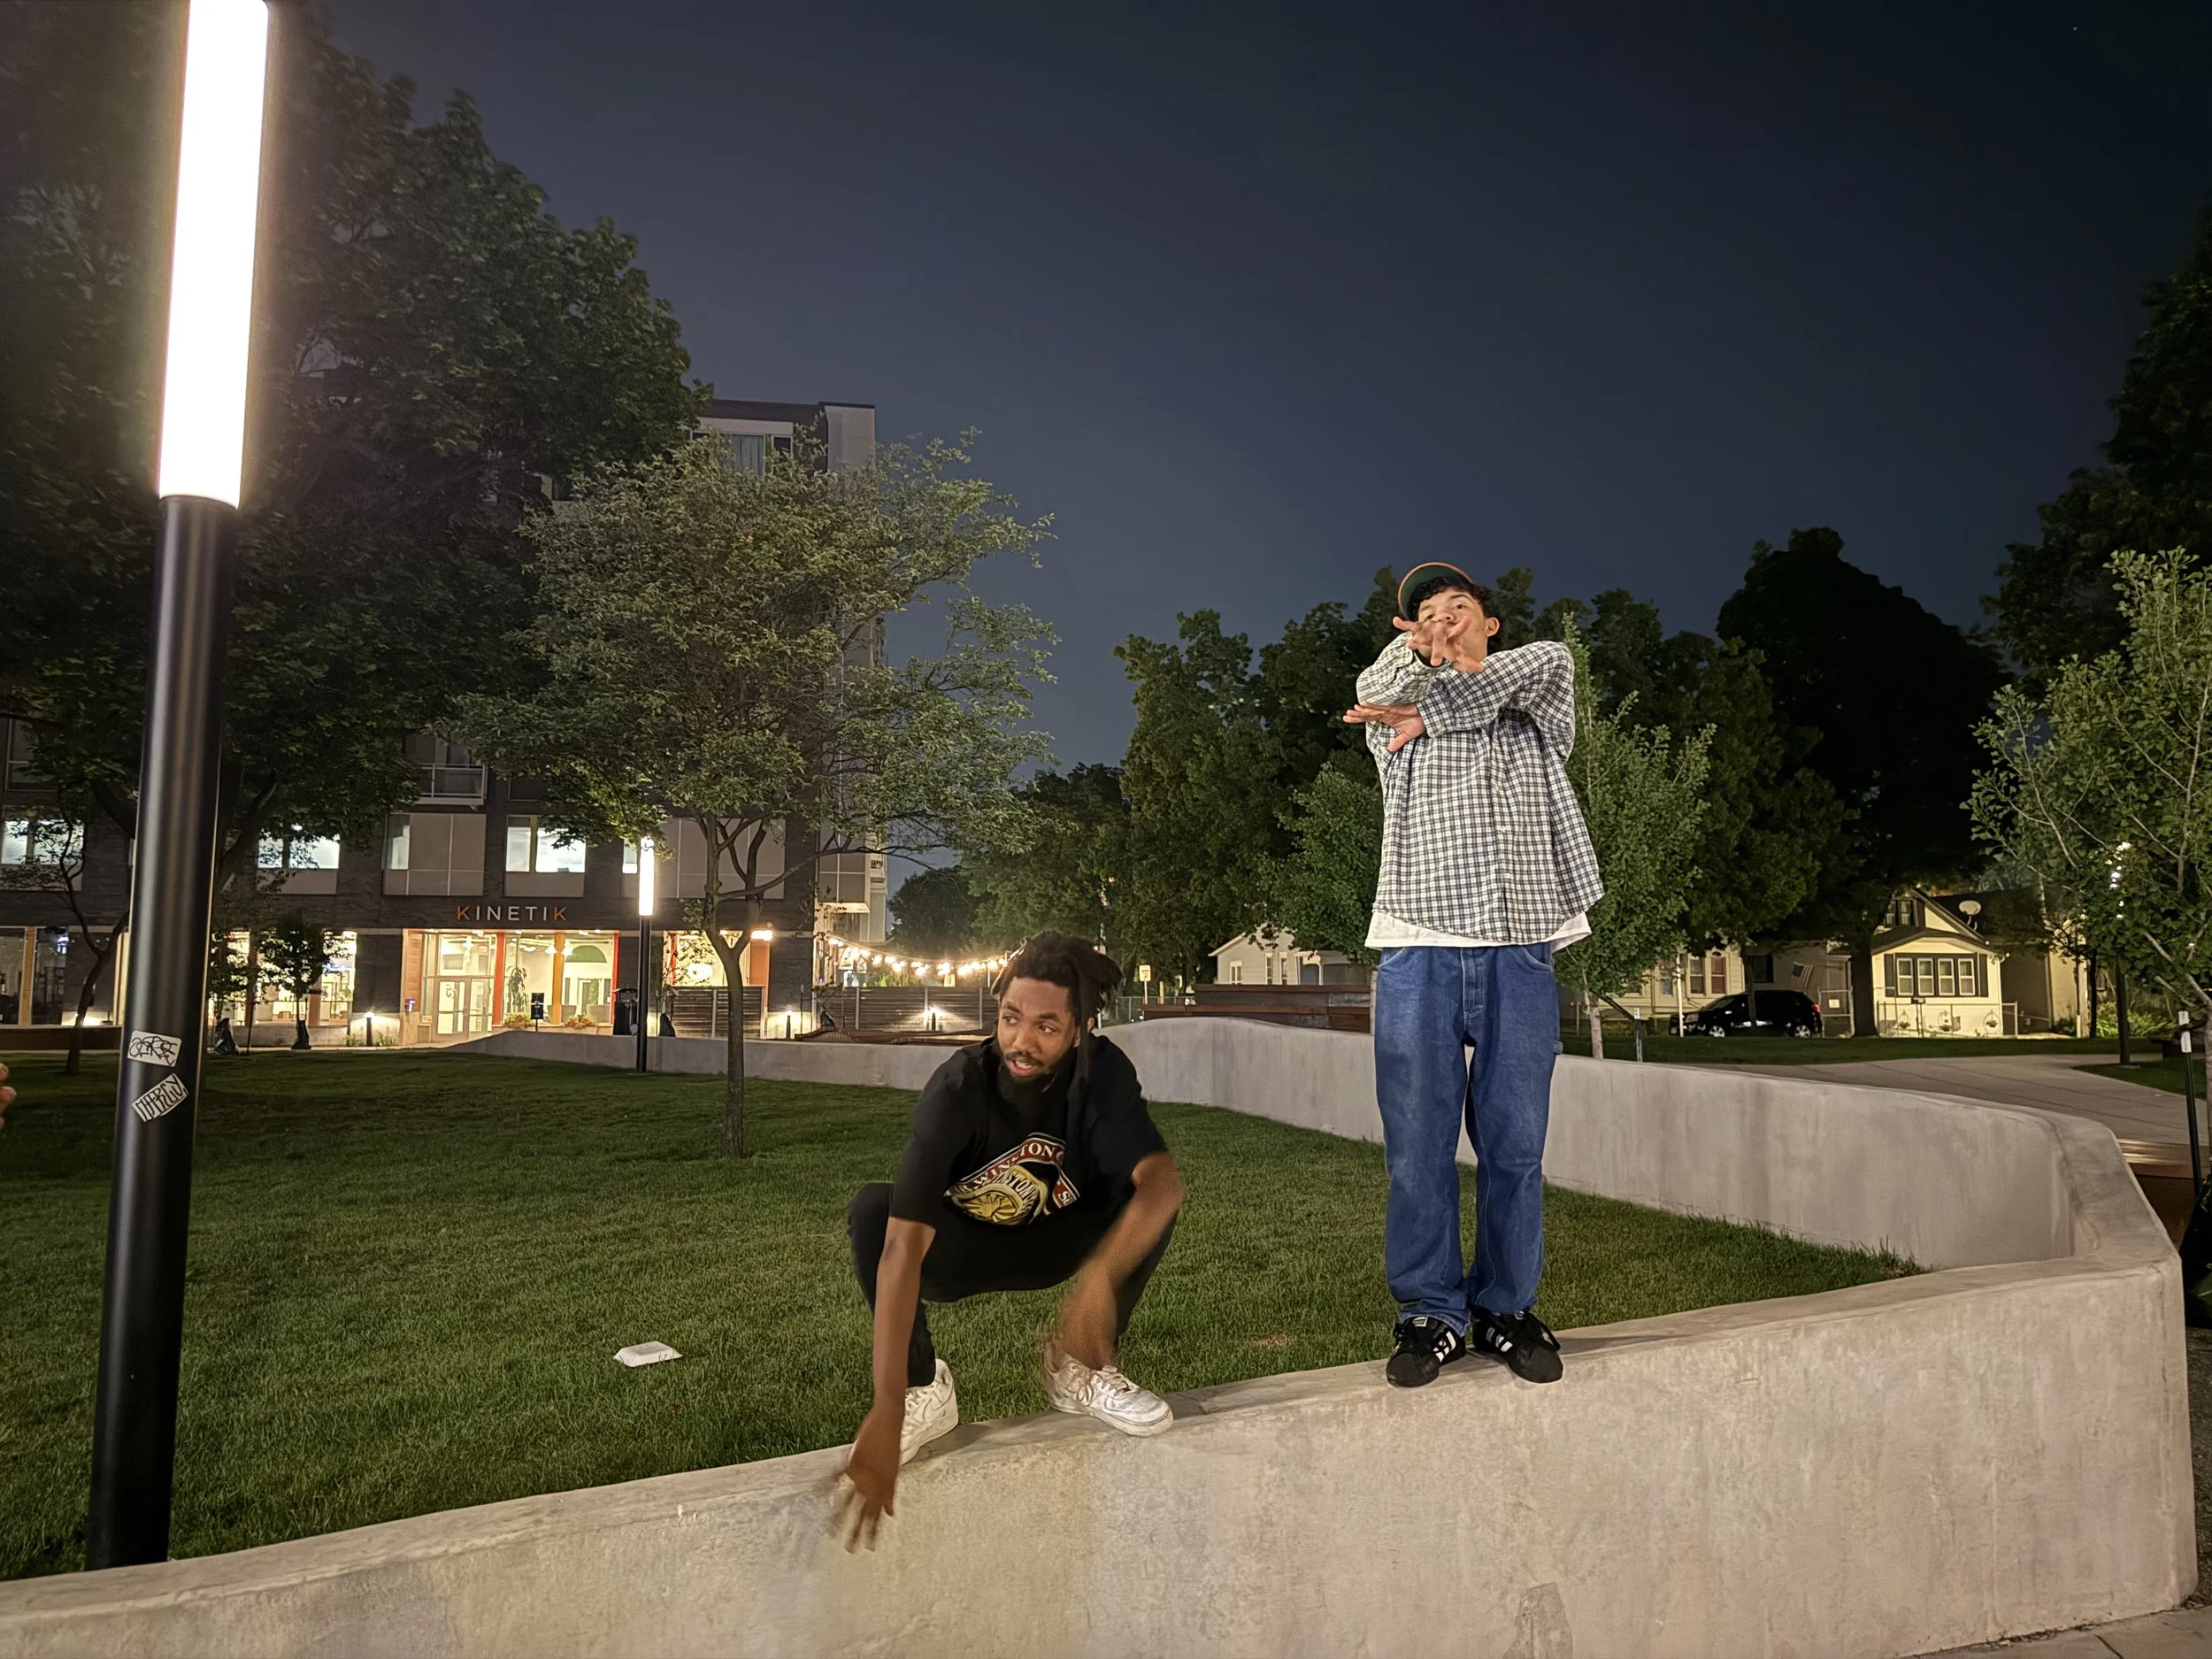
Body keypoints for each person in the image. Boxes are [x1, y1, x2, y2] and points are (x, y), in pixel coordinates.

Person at [835, 932, 1185, 1550]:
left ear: (1079, 1030)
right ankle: (924, 1390)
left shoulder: (1102, 1073)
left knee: (1147, 1195)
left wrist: (1098, 1284)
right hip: (967, 1249)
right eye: (1011, 1018)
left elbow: (1162, 1184)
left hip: (1061, 1241)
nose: (1022, 1040)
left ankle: (1080, 1368)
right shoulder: (959, 1088)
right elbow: (901, 1247)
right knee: (873, 1210)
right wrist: (887, 1407)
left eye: (1046, 1026)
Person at [1342, 562, 1601, 1389]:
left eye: (1458, 606)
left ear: (1491, 624)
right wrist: (1422, 665)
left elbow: (1552, 661)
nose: (1443, 618)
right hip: (1419, 946)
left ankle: (1503, 1308)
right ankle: (1430, 1312)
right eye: (1425, 611)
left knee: (1515, 1147)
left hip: (1519, 945)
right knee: (1419, 1148)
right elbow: (1374, 684)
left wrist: (1443, 705)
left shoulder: (1534, 712)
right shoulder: (1394, 714)